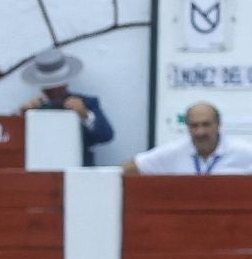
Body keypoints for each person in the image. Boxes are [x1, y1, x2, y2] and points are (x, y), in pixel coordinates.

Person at [15, 49, 112, 167]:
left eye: (58, 85)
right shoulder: (33, 108)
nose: (55, 90)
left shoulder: (87, 103)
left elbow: (106, 136)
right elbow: (12, 143)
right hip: (40, 172)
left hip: (79, 173)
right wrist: (20, 118)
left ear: (66, 83)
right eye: (50, 87)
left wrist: (85, 115)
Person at [123, 101, 252, 175]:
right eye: (194, 126)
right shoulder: (173, 152)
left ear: (218, 125)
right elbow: (128, 169)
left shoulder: (244, 151)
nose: (200, 132)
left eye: (206, 125)